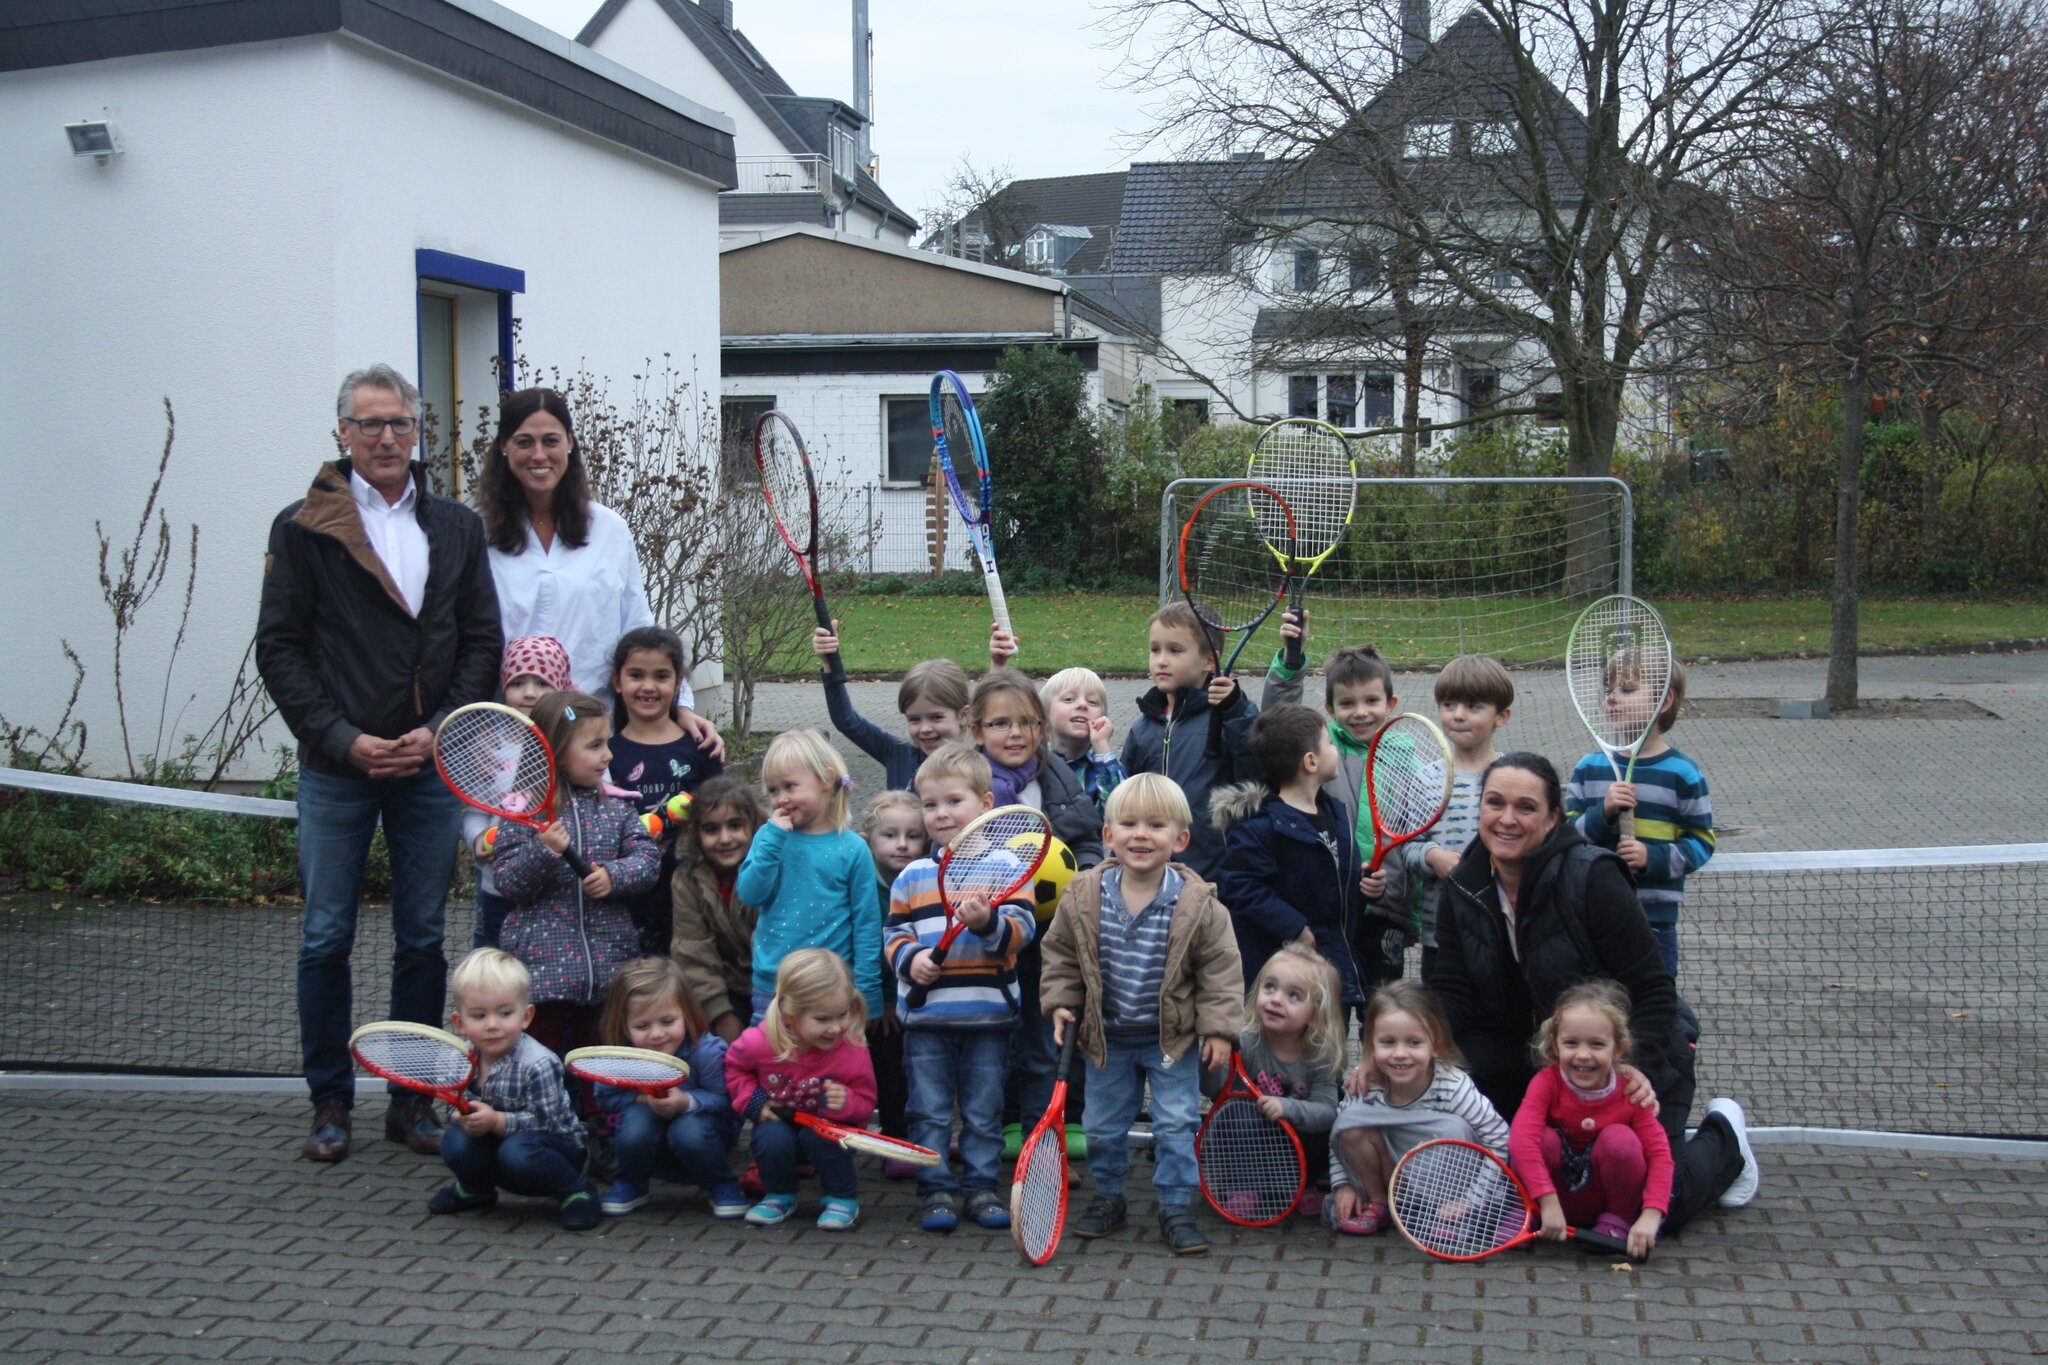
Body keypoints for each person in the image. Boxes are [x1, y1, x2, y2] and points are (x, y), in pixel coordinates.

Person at [257, 362, 502, 1162]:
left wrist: (439, 730)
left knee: (422, 939)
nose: (387, 437)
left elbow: (479, 643)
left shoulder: (458, 527)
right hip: (339, 769)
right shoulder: (301, 527)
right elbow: (282, 649)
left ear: (417, 430)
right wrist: (341, 738)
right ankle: (330, 1103)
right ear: (342, 435)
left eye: (399, 423)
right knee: (325, 937)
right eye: (370, 425)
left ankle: (414, 1099)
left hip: (430, 767)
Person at [1430, 752, 1760, 1219]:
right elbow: (1452, 991)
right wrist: (1413, 1049)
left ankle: (1726, 1140)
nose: (1506, 819)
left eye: (1525, 807)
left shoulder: (1593, 876)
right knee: (1540, 1190)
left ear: (1552, 820)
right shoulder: (1463, 886)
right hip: (1541, 1061)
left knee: (1656, 1203)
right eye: (1494, 803)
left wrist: (1631, 1067)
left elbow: (1652, 989)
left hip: (1636, 1048)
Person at [1041, 773, 1243, 1256]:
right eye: (1127, 823)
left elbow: (1220, 970)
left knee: (1175, 1123)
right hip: (1105, 1037)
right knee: (1101, 1126)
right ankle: (1109, 1195)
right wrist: (1061, 1002)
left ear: (1181, 839)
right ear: (1107, 835)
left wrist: (1218, 1029)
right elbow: (1062, 955)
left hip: (1171, 1039)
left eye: (1156, 825)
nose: (1140, 834)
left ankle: (1175, 1204)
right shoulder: (1084, 894)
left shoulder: (1199, 904)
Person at [478, 386, 721, 754]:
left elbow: (637, 628)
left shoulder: (609, 529)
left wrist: (680, 706)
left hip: (586, 736)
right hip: (501, 739)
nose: (539, 455)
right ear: (504, 447)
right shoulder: (476, 533)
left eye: (551, 440)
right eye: (524, 442)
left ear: (571, 443)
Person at [885, 744, 1037, 1232]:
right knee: (928, 1112)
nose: (942, 814)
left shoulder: (1010, 868)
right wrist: (911, 961)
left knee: (982, 1112)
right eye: (931, 805)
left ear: (986, 805)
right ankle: (936, 1191)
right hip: (926, 1020)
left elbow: (1022, 932)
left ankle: (980, 1188)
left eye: (954, 801)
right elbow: (894, 935)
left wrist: (990, 923)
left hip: (989, 1018)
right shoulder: (911, 876)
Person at [970, 668, 1103, 1161]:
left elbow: (1088, 836)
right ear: (977, 730)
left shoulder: (1057, 776)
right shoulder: (973, 782)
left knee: (1046, 1028)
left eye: (1026, 723)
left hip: (1052, 932)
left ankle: (1049, 1127)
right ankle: (1003, 1121)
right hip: (989, 932)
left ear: (1042, 728)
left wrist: (1083, 875)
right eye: (1001, 724)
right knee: (996, 1031)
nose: (1015, 734)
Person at [490, 691, 662, 1072]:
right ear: (557, 752)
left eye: (607, 743)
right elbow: (509, 881)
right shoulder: (523, 811)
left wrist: (613, 876)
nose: (608, 756)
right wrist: (543, 850)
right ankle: (539, 1119)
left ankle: (600, 1119)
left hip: (607, 964)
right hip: (542, 968)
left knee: (600, 1057)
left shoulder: (616, 806)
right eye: (595, 745)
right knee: (539, 1055)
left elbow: (648, 860)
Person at [1259, 631, 1409, 991]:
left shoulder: (1407, 756)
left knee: (1383, 1006)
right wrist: (1291, 661)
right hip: (1332, 908)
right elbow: (1279, 715)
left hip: (1384, 910)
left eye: (1371, 700)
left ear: (1391, 703)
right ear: (1330, 710)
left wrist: (1401, 901)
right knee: (1326, 1008)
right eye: (1347, 703)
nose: (1360, 712)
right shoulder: (1322, 751)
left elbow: (1411, 835)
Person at [426, 948, 598, 1230]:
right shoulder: (458, 1058)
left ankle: (576, 1191)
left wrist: (496, 1121)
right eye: (479, 1016)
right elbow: (451, 1106)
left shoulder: (539, 1062)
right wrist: (461, 1117)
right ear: (459, 1022)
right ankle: (475, 1190)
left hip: (556, 1149)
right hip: (502, 1147)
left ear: (526, 1016)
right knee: (455, 1142)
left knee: (517, 1151)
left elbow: (548, 1123)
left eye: (505, 1013)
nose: (493, 1025)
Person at [1564, 660, 1714, 978]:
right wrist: (1601, 813)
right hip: (1592, 916)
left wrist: (1652, 857)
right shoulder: (1589, 768)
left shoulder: (1682, 774)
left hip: (1654, 922)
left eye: (1627, 689)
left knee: (1650, 1009)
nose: (1612, 698)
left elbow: (1702, 842)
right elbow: (1566, 834)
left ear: (1666, 700)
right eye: (1608, 690)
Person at [1327, 980, 1509, 1236]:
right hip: (1392, 1174)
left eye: (1414, 1043)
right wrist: (1342, 1184)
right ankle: (1380, 1204)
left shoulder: (1454, 1087)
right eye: (1388, 1042)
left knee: (1453, 1128)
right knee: (1350, 1124)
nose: (1400, 1053)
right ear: (1370, 1047)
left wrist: (1470, 1201)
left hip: (1449, 1192)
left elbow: (1500, 1140)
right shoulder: (1367, 1083)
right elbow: (1338, 1133)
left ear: (1436, 1045)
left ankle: (1442, 1216)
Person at [1215, 704, 1369, 1007]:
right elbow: (1240, 886)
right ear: (1311, 762)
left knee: (1329, 1045)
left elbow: (1332, 876)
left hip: (1333, 960)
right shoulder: (1261, 828)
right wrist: (1295, 927)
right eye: (1329, 743)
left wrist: (1366, 884)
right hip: (1285, 978)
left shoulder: (1334, 813)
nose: (1335, 748)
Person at [1509, 980, 1675, 1259]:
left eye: (1597, 1044)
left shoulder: (1631, 1090)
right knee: (1542, 1140)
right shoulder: (1546, 1082)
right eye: (1571, 1043)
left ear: (1618, 1049)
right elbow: (1520, 1141)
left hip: (1601, 1197)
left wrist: (1650, 1216)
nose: (1583, 1055)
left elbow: (1660, 1156)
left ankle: (1616, 1221)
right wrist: (1546, 1202)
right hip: (1547, 1199)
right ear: (1555, 1044)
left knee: (1620, 1140)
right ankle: (1527, 1212)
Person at [724, 948, 878, 1230]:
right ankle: (779, 1194)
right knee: (771, 1137)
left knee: (822, 1136)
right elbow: (734, 1068)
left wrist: (847, 1102)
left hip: (828, 1126)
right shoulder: (760, 1042)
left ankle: (842, 1197)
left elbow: (867, 1100)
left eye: (841, 1015)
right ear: (788, 1013)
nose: (835, 1028)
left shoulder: (851, 1045)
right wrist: (755, 1101)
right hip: (781, 1119)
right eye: (822, 1019)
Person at [735, 730, 882, 1023]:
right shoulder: (769, 837)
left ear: (826, 780)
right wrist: (772, 842)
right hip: (774, 985)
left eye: (790, 786)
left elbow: (866, 924)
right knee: (772, 1063)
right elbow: (750, 894)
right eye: (773, 790)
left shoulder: (852, 849)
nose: (781, 799)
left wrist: (867, 990)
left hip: (831, 989)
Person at [591, 957, 746, 1220]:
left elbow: (728, 1101)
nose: (656, 1034)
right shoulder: (620, 1056)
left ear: (686, 1013)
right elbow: (605, 1097)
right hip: (651, 1133)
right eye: (642, 1026)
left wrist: (685, 1101)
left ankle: (721, 1183)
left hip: (706, 1132)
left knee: (689, 1129)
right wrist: (644, 1100)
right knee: (635, 1124)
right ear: (623, 1025)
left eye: (667, 1021)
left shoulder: (706, 1051)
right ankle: (630, 1183)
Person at [1120, 603, 1260, 880]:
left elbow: (1256, 765)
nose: (1161, 660)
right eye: (1154, 649)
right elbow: (1126, 799)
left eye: (1175, 650)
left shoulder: (1229, 717)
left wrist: (1235, 710)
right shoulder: (1142, 727)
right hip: (1150, 873)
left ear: (1210, 661)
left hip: (1211, 871)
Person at [606, 625, 723, 955]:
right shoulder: (607, 754)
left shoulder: (701, 747)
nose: (648, 687)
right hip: (631, 907)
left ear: (677, 683)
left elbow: (719, 818)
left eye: (661, 676)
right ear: (618, 682)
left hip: (693, 900)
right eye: (636, 675)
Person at [1406, 654, 1516, 976]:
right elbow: (1408, 845)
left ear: (1502, 716)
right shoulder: (1426, 779)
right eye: (1449, 704)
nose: (1458, 715)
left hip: (1502, 928)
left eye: (1473, 706)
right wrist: (1433, 856)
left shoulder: (1513, 776)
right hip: (1441, 934)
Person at [469, 635, 573, 949]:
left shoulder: (577, 746)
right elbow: (474, 812)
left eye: (542, 683)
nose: (529, 694)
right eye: (518, 683)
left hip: (562, 892)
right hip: (500, 892)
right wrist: (477, 839)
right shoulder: (486, 750)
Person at [1228, 944, 1345, 1220]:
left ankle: (1304, 1184)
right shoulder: (1246, 1040)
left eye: (1294, 996)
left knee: (1326, 1130)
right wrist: (1214, 1051)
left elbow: (1328, 1110)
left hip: (1297, 1137)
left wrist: (1287, 1108)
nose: (1276, 1000)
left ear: (1316, 1012)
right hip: (1254, 1138)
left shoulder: (1321, 1053)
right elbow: (1213, 1090)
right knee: (1236, 1116)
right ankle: (1244, 1186)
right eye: (1270, 988)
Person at [810, 621, 973, 789]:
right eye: (914, 719)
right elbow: (846, 720)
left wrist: (998, 664)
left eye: (936, 717)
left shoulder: (979, 766)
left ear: (963, 716)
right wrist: (830, 664)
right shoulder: (898, 754)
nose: (925, 728)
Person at [668, 776, 767, 1043]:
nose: (725, 839)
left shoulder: (768, 867)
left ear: (755, 825)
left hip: (775, 986)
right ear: (696, 834)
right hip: (725, 988)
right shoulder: (687, 878)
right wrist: (721, 1015)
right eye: (711, 829)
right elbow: (693, 950)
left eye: (735, 826)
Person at [858, 789, 927, 1169]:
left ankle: (924, 1135)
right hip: (878, 998)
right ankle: (894, 1137)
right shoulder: (865, 880)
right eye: (890, 835)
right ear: (869, 838)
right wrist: (881, 998)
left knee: (920, 1069)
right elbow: (870, 944)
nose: (902, 845)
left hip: (918, 993)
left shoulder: (925, 876)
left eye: (913, 836)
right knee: (888, 1067)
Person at [1040, 666, 1128, 808]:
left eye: (1092, 702)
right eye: (1068, 699)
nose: (1082, 705)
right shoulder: (1032, 761)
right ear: (1044, 715)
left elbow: (1123, 809)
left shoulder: (1104, 766)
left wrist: (1102, 745)